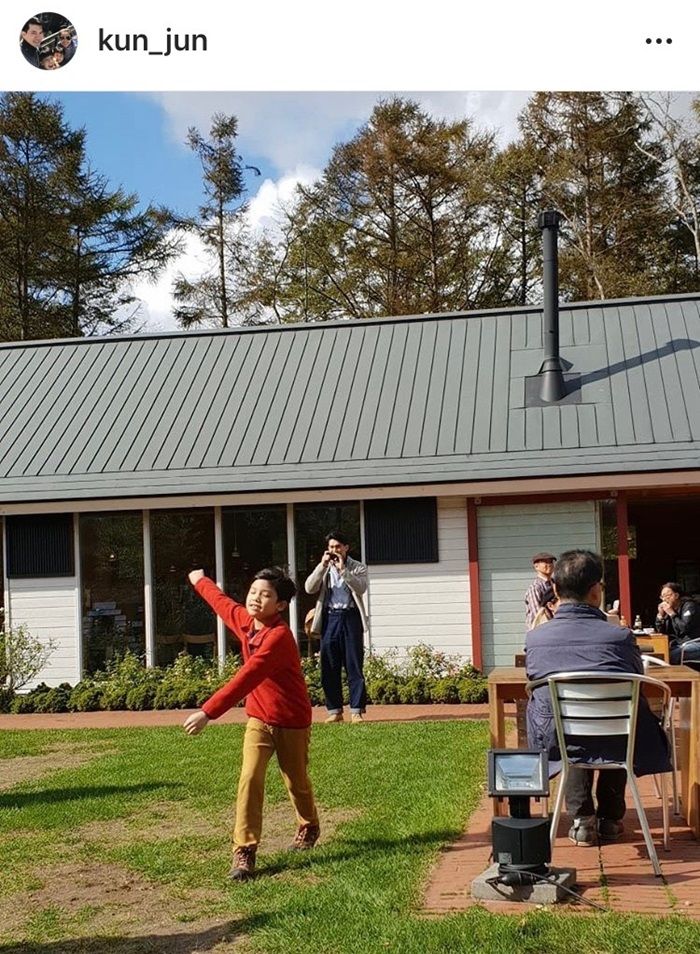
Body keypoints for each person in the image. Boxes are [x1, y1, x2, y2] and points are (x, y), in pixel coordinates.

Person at [183, 566, 320, 882]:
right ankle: (244, 850)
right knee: (249, 777)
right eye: (254, 592)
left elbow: (247, 678)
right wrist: (200, 580)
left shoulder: (279, 638)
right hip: (259, 719)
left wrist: (208, 712)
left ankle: (309, 824)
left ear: (280, 605)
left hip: (291, 720)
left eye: (266, 595)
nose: (256, 598)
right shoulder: (246, 623)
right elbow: (222, 603)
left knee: (296, 781)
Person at [526, 549, 670, 847]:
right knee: (619, 722)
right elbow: (635, 679)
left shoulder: (537, 638)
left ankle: (581, 820)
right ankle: (611, 819)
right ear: (596, 591)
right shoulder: (620, 637)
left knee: (569, 728)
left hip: (561, 739)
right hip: (619, 736)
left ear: (555, 590)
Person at [305, 530, 368, 723]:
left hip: (350, 617)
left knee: (353, 665)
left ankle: (356, 711)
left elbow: (361, 588)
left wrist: (343, 571)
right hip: (330, 618)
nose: (334, 550)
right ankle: (335, 711)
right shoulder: (324, 567)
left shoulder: (358, 567)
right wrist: (322, 566)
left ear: (346, 547)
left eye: (338, 547)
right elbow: (309, 588)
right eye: (331, 547)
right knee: (329, 665)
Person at [654, 582, 700, 664]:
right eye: (662, 596)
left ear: (676, 595)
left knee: (669, 656)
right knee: (660, 653)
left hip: (695, 642)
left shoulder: (690, 606)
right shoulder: (670, 609)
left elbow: (684, 628)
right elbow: (662, 632)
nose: (664, 599)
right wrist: (661, 617)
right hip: (680, 644)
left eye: (667, 596)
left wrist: (672, 614)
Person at [524, 552, 556, 629]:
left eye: (551, 562)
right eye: (545, 562)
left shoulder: (556, 584)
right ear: (536, 566)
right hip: (540, 629)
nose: (549, 564)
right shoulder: (535, 588)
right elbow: (538, 614)